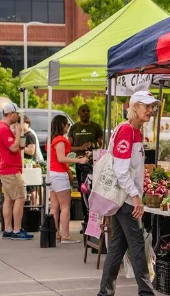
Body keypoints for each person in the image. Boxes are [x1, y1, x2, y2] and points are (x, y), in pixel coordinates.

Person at [98, 91, 158, 296]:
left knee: (117, 247)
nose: (151, 110)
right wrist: (135, 196)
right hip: (125, 200)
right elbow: (121, 170)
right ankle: (146, 293)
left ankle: (105, 292)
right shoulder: (128, 131)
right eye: (146, 106)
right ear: (134, 107)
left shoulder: (132, 131)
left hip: (121, 199)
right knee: (138, 247)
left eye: (152, 106)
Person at [0, 103, 34, 240]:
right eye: (17, 114)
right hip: (10, 169)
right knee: (20, 197)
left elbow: (14, 147)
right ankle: (16, 230)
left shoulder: (1, 127)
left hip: (7, 168)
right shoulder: (3, 128)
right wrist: (18, 134)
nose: (18, 117)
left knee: (9, 199)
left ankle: (8, 229)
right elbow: (12, 147)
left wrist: (18, 141)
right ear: (11, 114)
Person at [48, 115, 87, 244]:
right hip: (59, 174)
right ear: (62, 125)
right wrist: (79, 160)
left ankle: (55, 233)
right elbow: (61, 158)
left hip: (53, 173)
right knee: (65, 207)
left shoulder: (53, 139)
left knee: (54, 206)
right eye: (67, 125)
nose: (68, 127)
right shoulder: (60, 140)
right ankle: (65, 235)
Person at [68, 104, 103, 233]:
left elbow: (101, 145)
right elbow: (69, 147)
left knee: (94, 191)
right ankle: (86, 219)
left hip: (94, 164)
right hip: (80, 164)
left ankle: (95, 221)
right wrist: (81, 148)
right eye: (83, 111)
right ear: (78, 113)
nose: (86, 113)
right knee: (84, 191)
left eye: (88, 111)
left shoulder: (96, 127)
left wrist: (92, 146)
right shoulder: (74, 128)